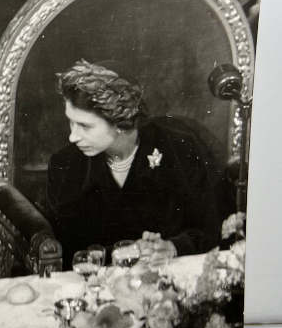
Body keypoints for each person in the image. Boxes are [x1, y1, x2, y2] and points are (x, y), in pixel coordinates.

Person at [45, 60, 222, 268]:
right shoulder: (65, 165)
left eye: (85, 126)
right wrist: (125, 253)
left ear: (120, 121)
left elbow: (212, 228)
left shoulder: (179, 149)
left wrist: (173, 247)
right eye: (71, 122)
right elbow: (62, 252)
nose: (72, 137)